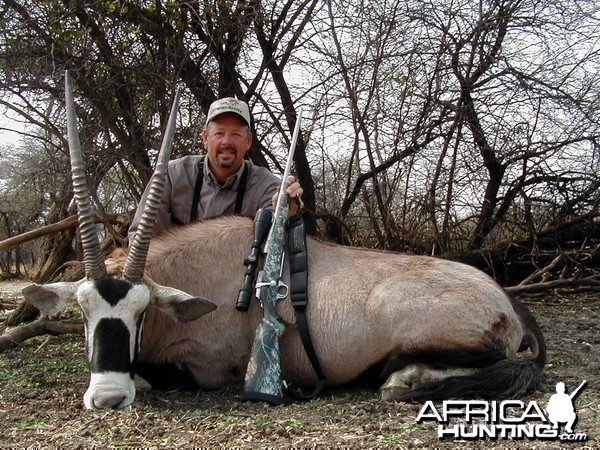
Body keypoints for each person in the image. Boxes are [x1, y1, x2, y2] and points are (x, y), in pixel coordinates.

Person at [128, 97, 303, 243]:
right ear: (205, 138)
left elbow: (277, 245)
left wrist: (287, 215)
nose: (226, 142)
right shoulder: (172, 175)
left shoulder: (267, 187)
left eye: (235, 134)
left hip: (235, 281)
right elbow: (140, 239)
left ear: (248, 141)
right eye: (219, 133)